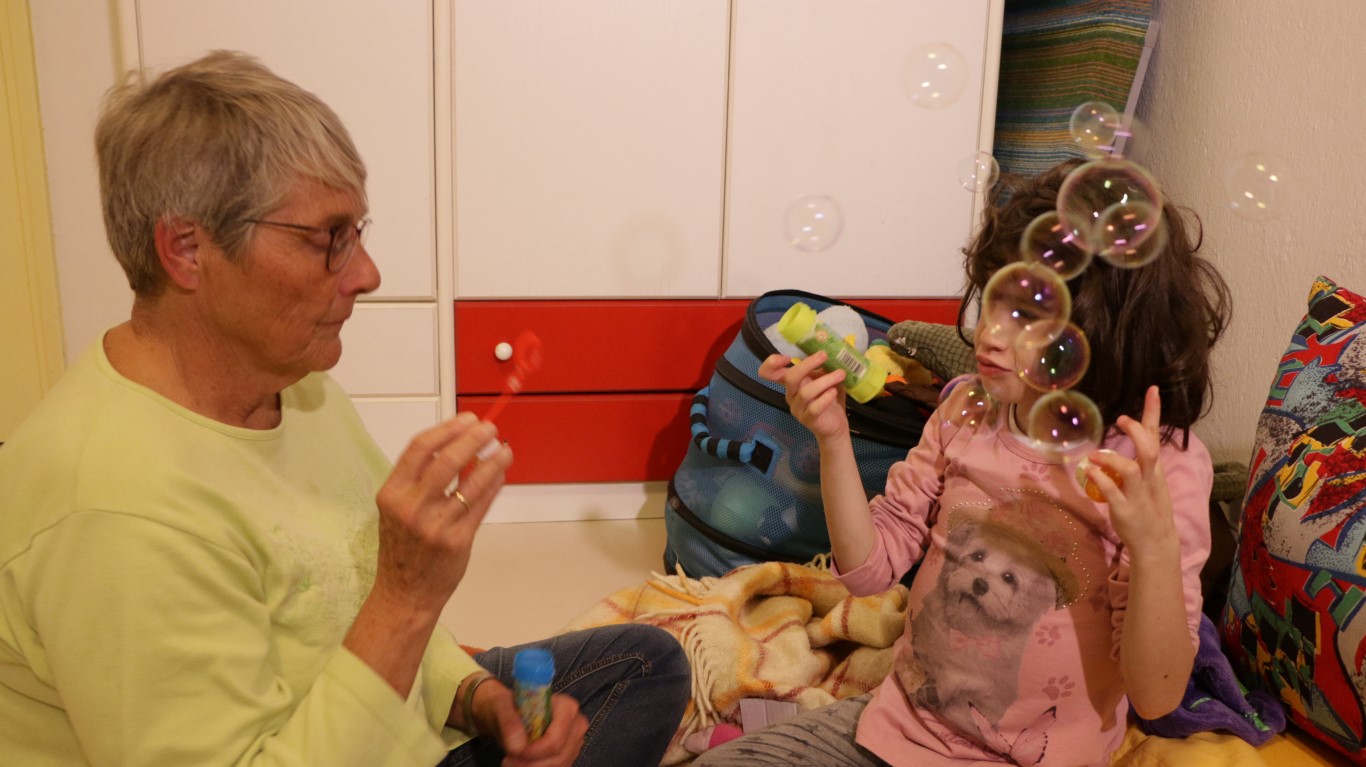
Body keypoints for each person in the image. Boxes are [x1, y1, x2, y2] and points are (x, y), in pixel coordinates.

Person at [0, 50, 689, 767]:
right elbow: (383, 606)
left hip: (373, 707)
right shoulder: (116, 510)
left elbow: (349, 601)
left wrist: (476, 696)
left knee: (648, 663)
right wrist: (408, 595)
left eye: (358, 232)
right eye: (328, 238)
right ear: (186, 248)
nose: (367, 273)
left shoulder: (295, 386)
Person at [694, 159, 1233, 766]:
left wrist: (1153, 548)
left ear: (1104, 330)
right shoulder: (965, 409)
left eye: (1027, 316)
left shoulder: (1158, 468)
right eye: (994, 303)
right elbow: (868, 572)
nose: (989, 335)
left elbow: (1157, 695)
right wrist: (833, 437)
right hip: (897, 729)